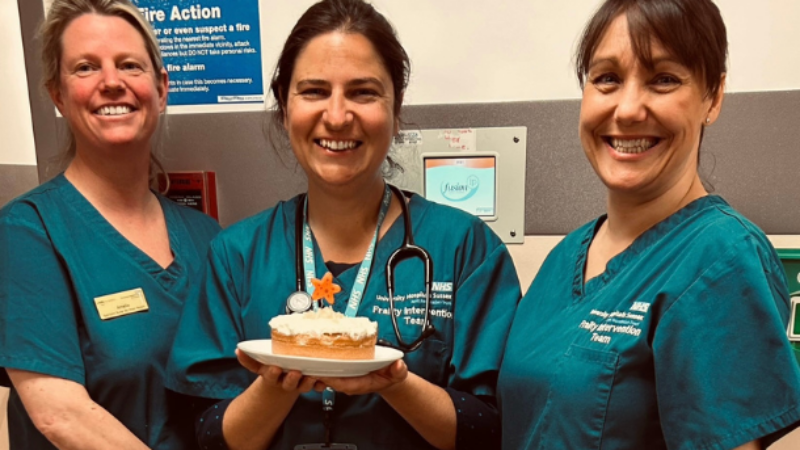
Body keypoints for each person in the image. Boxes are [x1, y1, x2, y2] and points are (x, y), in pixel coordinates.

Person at [165, 0, 520, 449]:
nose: (336, 115)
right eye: (313, 91)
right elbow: (208, 435)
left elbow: (490, 429)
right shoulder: (237, 254)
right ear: (284, 103)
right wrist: (276, 384)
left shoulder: (464, 248)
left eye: (363, 92)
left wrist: (393, 382)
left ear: (396, 108)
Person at [498, 0, 800, 448]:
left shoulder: (721, 259)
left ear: (712, 97)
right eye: (607, 79)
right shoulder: (565, 256)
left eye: (663, 79)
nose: (628, 108)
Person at [0, 0, 221, 448]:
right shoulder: (27, 233)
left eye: (129, 65)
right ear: (57, 95)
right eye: (86, 67)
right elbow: (61, 416)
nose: (112, 82)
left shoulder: (207, 238)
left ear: (161, 89)